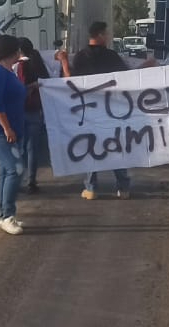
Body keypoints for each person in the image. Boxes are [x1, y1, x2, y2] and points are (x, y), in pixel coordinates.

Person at [56, 21, 158, 200]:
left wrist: (64, 61)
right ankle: (123, 188)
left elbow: (70, 81)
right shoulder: (111, 56)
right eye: (107, 33)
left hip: (89, 111)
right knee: (115, 146)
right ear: (101, 35)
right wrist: (146, 66)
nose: (109, 37)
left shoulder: (81, 57)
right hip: (111, 111)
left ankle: (91, 188)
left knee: (92, 147)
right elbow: (128, 77)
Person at [0, 34, 30, 235]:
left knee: (5, 171)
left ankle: (4, 216)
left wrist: (34, 87)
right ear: (14, 51)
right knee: (15, 169)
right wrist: (7, 128)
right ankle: (7, 215)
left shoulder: (8, 71)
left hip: (11, 129)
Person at [15, 37, 50, 194]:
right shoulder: (38, 63)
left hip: (19, 111)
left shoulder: (18, 65)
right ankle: (32, 180)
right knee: (32, 149)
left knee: (19, 148)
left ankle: (17, 180)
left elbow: (19, 86)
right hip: (35, 110)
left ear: (19, 50)